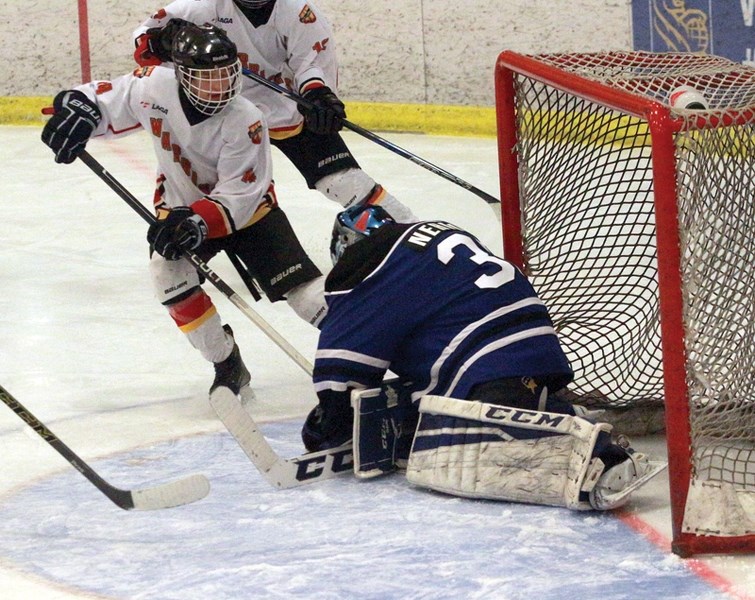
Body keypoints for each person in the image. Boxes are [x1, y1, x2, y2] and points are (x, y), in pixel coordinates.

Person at [301, 204, 663, 511]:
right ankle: (548, 409)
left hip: (487, 360)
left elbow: (341, 378)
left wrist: (326, 426)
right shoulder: (425, 238)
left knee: (453, 450)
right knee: (430, 413)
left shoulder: (364, 267)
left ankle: (600, 452)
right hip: (535, 345)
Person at [41, 23, 327, 397]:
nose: (221, 86)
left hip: (251, 216)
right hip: (178, 211)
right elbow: (96, 98)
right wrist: (76, 113)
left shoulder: (246, 117)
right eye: (208, 78)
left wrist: (197, 222)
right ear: (182, 74)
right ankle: (227, 362)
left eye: (227, 75)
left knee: (308, 298)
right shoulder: (153, 86)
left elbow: (241, 194)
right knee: (169, 279)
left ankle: (367, 349)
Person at [132, 0, 418, 222]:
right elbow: (143, 39)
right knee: (199, 190)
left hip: (286, 108)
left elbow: (309, 65)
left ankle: (407, 230)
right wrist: (160, 41)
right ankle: (196, 236)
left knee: (342, 180)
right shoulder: (200, 6)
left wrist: (318, 96)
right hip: (221, 113)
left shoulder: (299, 12)